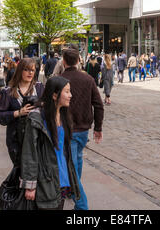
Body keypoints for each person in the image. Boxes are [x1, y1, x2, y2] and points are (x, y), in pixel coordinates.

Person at [20, 76, 80, 209]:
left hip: (62, 176)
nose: (70, 95)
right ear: (54, 95)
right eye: (67, 91)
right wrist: (30, 186)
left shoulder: (64, 115)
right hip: (45, 179)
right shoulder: (37, 118)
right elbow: (29, 152)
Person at [61, 47, 104, 210]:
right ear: (79, 61)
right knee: (77, 159)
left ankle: (81, 205)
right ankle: (73, 191)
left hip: (68, 129)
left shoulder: (60, 79)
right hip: (83, 129)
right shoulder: (87, 79)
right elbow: (98, 105)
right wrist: (98, 128)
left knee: (71, 166)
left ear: (64, 61)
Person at [0, 58, 44, 166]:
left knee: (35, 172)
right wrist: (18, 113)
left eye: (32, 70)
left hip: (37, 138)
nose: (30, 73)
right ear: (20, 71)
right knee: (20, 171)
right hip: (16, 139)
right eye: (26, 70)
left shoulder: (39, 87)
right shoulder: (8, 91)